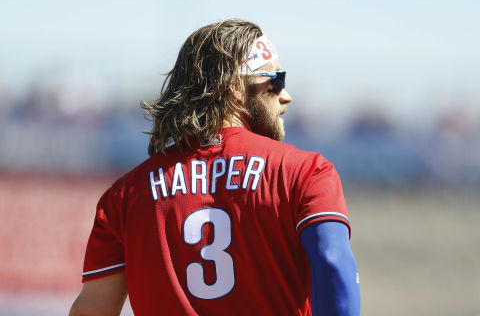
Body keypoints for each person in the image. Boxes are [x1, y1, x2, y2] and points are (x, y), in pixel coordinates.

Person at [69, 19, 360, 316]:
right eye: (276, 81)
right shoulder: (306, 172)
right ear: (234, 89)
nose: (286, 96)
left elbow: (93, 308)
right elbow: (334, 270)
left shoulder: (125, 196)